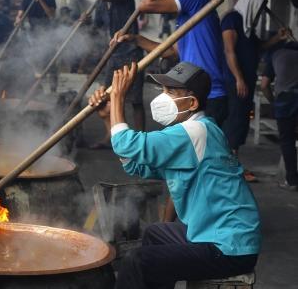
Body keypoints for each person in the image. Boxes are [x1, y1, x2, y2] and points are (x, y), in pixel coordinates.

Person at [89, 61, 262, 289]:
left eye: (170, 92)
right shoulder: (193, 131)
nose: (162, 97)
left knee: (137, 261)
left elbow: (125, 144)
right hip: (211, 234)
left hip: (229, 246)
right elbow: (137, 166)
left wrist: (119, 98)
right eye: (163, 91)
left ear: (192, 103)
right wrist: (108, 117)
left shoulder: (194, 131)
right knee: (156, 233)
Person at [114, 0, 228, 127]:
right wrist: (137, 39)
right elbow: (173, 53)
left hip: (208, 93)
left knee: (200, 150)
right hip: (195, 90)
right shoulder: (189, 10)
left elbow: (146, 5)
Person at [221, 0, 290, 183]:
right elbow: (229, 51)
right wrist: (239, 79)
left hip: (246, 80)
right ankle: (232, 167)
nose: (261, 13)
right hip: (235, 81)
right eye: (259, 8)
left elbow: (257, 47)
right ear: (251, 4)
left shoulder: (247, 28)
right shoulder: (232, 19)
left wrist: (278, 38)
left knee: (241, 122)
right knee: (234, 122)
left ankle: (234, 163)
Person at [83, 0, 145, 149]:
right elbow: (95, 28)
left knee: (135, 99)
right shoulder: (102, 5)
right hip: (114, 53)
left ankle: (141, 138)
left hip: (132, 51)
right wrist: (86, 22)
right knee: (108, 96)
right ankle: (111, 136)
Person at [261, 42, 298, 191]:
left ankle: (293, 181)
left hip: (286, 101)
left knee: (287, 141)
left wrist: (274, 103)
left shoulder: (276, 55)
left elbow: (264, 86)